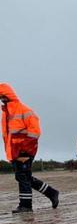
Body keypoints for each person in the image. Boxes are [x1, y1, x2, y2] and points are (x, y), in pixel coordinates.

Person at [0, 83, 59, 213]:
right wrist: (11, 153)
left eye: (2, 97)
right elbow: (8, 137)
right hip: (15, 152)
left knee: (23, 177)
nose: (1, 100)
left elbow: (35, 132)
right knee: (24, 177)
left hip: (25, 151)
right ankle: (52, 193)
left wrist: (25, 151)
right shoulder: (6, 114)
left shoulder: (24, 110)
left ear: (7, 96)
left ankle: (26, 206)